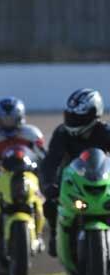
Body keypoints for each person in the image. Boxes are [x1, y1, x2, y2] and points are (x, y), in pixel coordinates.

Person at [0, 97, 46, 253]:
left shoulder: (32, 134)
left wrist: (47, 167)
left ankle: (47, 237)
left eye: (11, 119)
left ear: (20, 117)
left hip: (27, 175)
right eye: (4, 119)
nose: (8, 123)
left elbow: (44, 155)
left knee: (48, 198)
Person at [41, 89, 110, 256]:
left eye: (79, 117)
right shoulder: (62, 133)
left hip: (101, 181)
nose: (73, 120)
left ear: (94, 115)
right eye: (70, 116)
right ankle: (55, 235)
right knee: (50, 204)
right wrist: (49, 184)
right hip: (70, 184)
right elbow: (50, 161)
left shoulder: (106, 131)